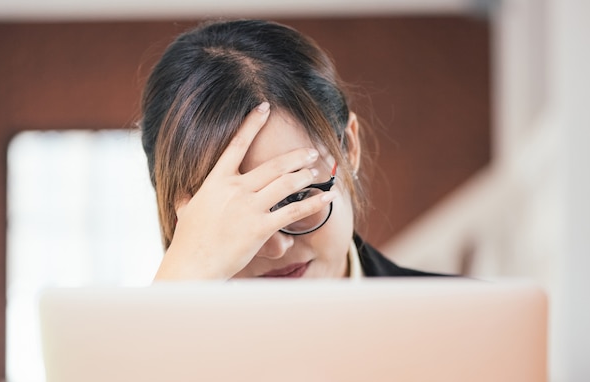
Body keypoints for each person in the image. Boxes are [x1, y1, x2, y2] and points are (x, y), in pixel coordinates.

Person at [140, 19, 442, 281]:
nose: (276, 247)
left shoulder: (471, 324)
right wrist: (175, 289)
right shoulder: (142, 345)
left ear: (349, 147)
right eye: (233, 212)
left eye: (297, 195)